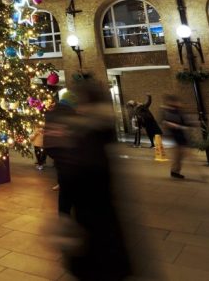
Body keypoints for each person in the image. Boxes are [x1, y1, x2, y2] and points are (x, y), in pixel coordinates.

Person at [54, 80, 131, 281]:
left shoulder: (85, 133)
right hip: (107, 219)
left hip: (91, 223)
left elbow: (77, 175)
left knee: (95, 266)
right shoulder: (102, 129)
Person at [162, 94, 189, 179]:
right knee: (178, 155)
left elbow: (184, 122)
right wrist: (170, 124)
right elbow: (164, 122)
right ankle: (175, 171)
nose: (179, 103)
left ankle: (175, 171)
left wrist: (184, 126)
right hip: (174, 137)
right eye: (176, 102)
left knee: (180, 155)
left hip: (181, 136)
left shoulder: (178, 111)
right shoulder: (166, 111)